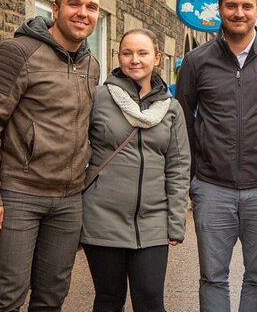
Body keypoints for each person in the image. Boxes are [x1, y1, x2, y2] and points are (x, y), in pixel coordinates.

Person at [0, 0, 101, 311]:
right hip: (19, 195)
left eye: (92, 7)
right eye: (74, 4)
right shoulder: (17, 53)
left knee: (52, 297)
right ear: (55, 9)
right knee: (8, 297)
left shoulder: (90, 65)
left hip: (69, 200)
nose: (83, 13)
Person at [175, 0, 257, 311]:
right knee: (213, 277)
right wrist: (194, 176)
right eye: (231, 5)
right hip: (212, 188)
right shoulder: (197, 61)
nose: (239, 12)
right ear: (220, 10)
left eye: (247, 6)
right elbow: (183, 120)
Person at [81, 28, 191, 312]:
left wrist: (175, 221)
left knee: (151, 301)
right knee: (108, 299)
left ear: (157, 58)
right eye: (127, 53)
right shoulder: (100, 97)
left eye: (143, 53)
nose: (135, 60)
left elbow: (178, 168)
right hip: (103, 218)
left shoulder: (171, 109)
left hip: (153, 221)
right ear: (118, 57)